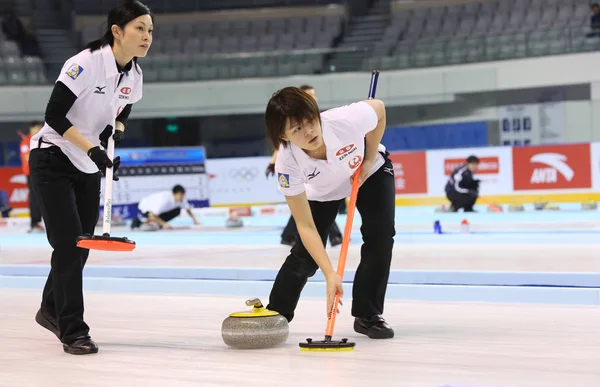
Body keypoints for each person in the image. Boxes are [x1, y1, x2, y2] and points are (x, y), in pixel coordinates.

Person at [28, 0, 153, 355]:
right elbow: (54, 114)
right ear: (117, 31)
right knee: (69, 246)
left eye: (150, 31)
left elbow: (123, 107)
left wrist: (116, 131)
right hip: (52, 158)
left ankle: (50, 308)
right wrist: (93, 148)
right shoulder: (84, 63)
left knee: (79, 250)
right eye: (140, 28)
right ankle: (73, 330)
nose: (147, 36)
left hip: (87, 165)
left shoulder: (135, 76)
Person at [264, 87, 395, 339]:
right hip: (324, 190)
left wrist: (369, 157)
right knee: (304, 255)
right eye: (297, 129)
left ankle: (368, 315)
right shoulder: (286, 162)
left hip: (368, 172)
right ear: (283, 135)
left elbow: (378, 108)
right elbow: (305, 226)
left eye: (310, 121)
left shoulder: (343, 120)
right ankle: (277, 313)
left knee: (380, 237)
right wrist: (329, 274)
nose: (309, 131)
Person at [265, 85, 344, 247]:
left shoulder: (320, 118)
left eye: (314, 95)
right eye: (309, 95)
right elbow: (282, 146)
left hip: (325, 166)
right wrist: (273, 162)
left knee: (312, 203)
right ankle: (333, 235)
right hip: (305, 170)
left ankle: (289, 236)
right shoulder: (292, 121)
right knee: (311, 203)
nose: (313, 97)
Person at [130, 184, 200, 230]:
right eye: (180, 195)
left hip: (157, 212)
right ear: (174, 194)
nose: (182, 197)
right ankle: (137, 222)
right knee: (152, 218)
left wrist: (195, 221)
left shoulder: (182, 198)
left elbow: (187, 209)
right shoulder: (164, 200)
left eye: (183, 195)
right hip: (144, 207)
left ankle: (158, 224)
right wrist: (164, 224)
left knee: (177, 211)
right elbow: (152, 214)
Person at [19, 120, 44, 233]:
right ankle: (34, 222)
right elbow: (29, 159)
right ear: (31, 129)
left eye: (40, 128)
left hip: (43, 173)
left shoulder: (42, 139)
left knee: (44, 198)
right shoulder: (26, 142)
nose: (39, 130)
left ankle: (42, 221)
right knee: (34, 198)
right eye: (37, 128)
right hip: (32, 174)